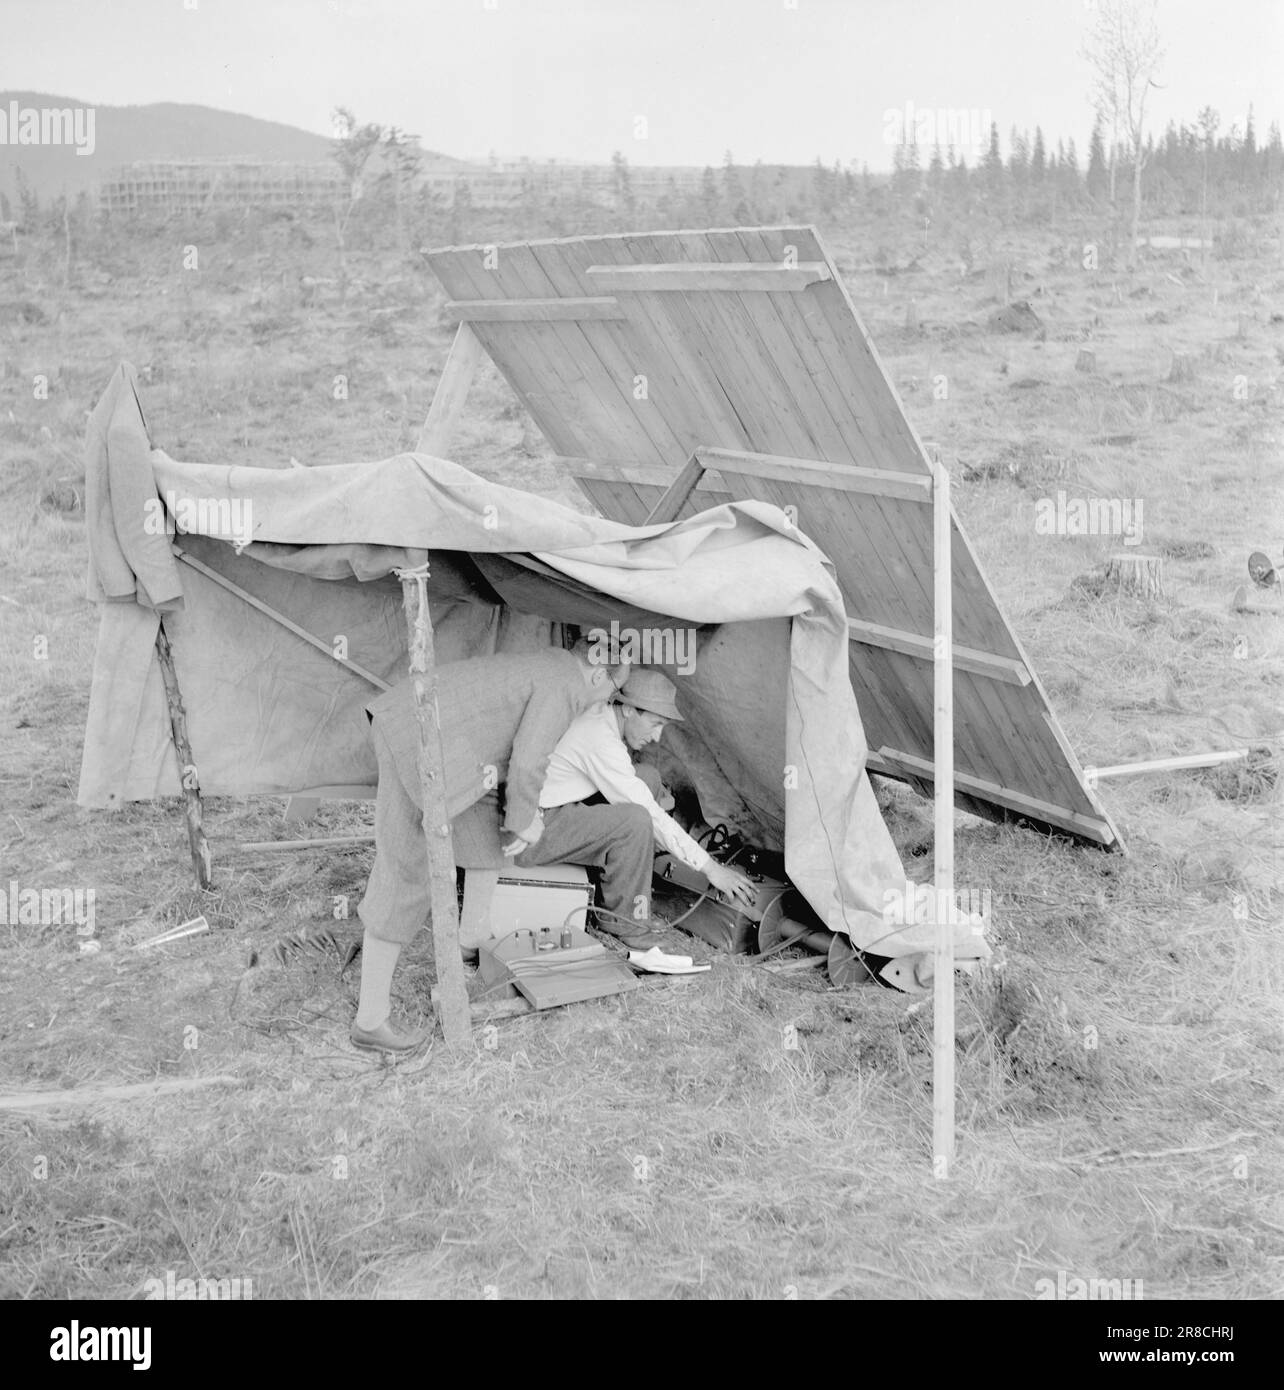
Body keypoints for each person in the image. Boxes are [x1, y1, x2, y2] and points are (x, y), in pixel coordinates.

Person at [353, 647, 615, 1053]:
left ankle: (471, 936)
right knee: (407, 869)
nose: (607, 703)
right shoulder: (568, 684)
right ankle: (370, 1020)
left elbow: (513, 756)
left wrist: (518, 817)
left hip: (452, 743)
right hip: (416, 735)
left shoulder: (555, 664)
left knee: (488, 830)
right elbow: (529, 759)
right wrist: (526, 819)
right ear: (599, 675)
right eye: (614, 692)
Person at [514, 667, 757, 946]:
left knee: (647, 777)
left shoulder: (602, 716)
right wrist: (711, 868)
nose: (656, 737)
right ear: (628, 709)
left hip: (553, 808)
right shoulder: (598, 738)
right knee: (636, 821)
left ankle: (625, 885)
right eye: (655, 723)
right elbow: (649, 815)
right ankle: (626, 923)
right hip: (530, 833)